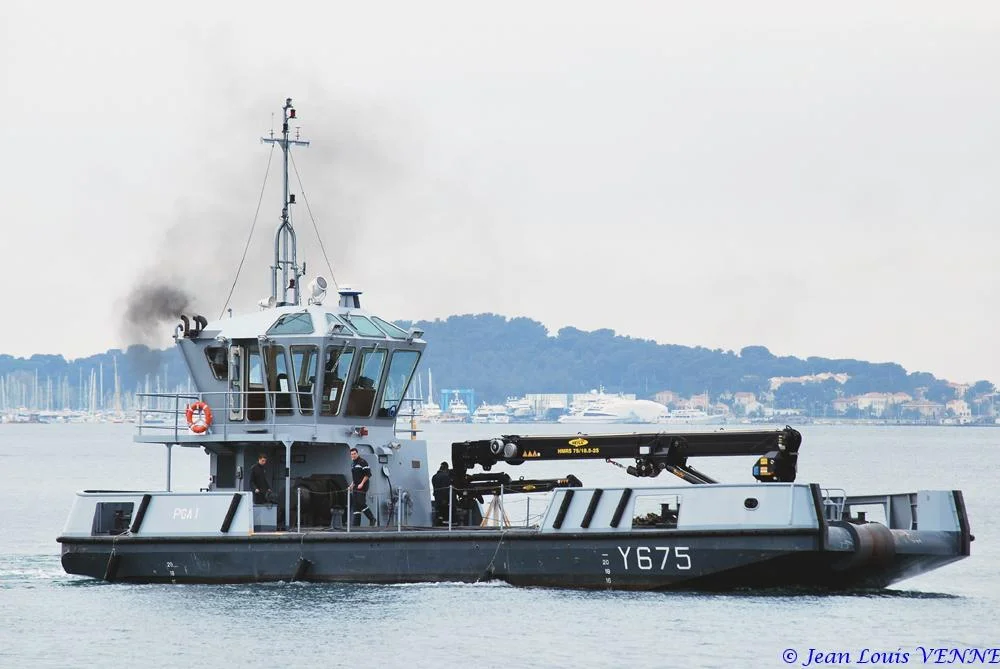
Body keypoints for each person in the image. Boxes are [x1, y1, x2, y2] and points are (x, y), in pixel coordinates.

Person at [348, 447, 377, 526]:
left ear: (357, 454)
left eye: (354, 454)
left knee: (361, 502)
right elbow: (355, 477)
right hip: (356, 486)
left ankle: (372, 518)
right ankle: (356, 524)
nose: (353, 455)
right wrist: (351, 485)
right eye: (352, 454)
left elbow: (368, 474)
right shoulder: (353, 464)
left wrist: (362, 483)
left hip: (363, 485)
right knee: (355, 504)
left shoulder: (363, 462)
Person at [431, 462, 452, 526]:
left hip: (437, 497)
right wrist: (446, 498)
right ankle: (445, 523)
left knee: (439, 511)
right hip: (443, 498)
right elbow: (445, 489)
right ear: (446, 468)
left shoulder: (434, 477)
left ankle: (439, 522)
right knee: (444, 511)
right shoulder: (445, 477)